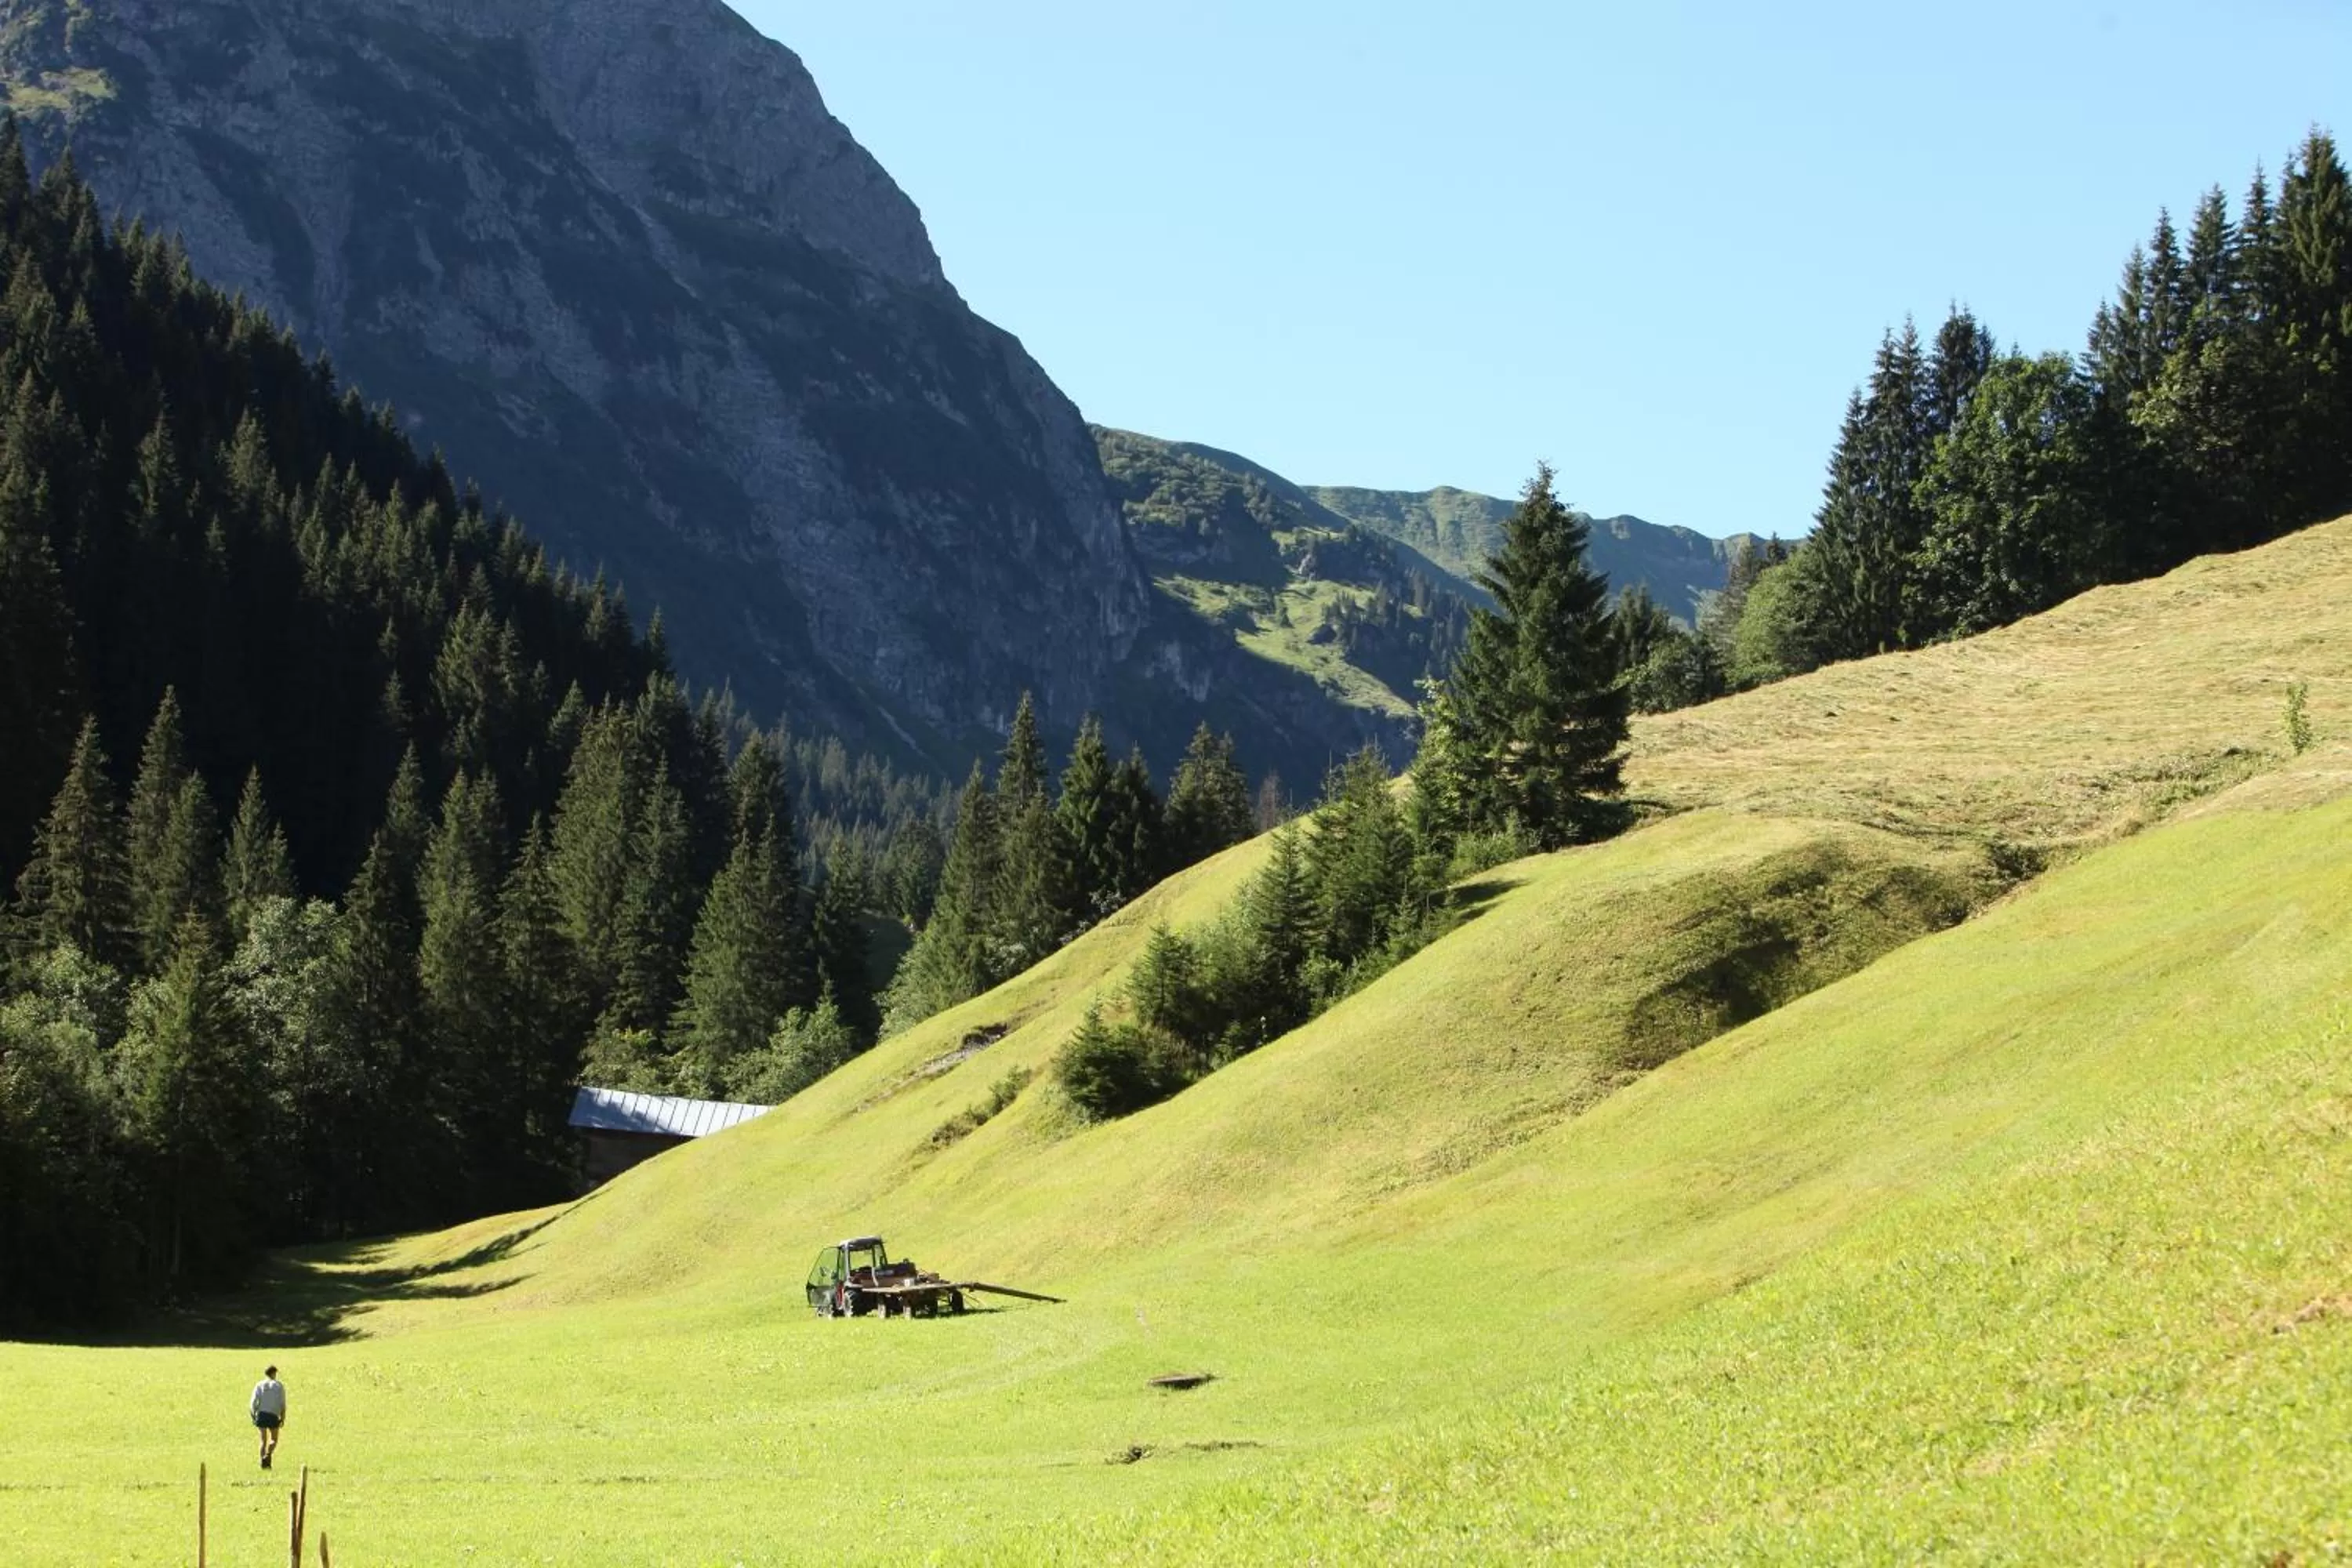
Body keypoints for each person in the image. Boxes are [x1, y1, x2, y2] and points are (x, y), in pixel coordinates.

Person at [249, 1365, 287, 1469]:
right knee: (274, 1439)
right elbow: (282, 1404)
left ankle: (262, 1461)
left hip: (261, 1414)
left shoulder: (259, 1385)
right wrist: (282, 1417)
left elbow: (253, 1402)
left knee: (263, 1440)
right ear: (274, 1373)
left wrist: (253, 1415)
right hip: (273, 1415)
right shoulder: (279, 1386)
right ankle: (268, 1455)